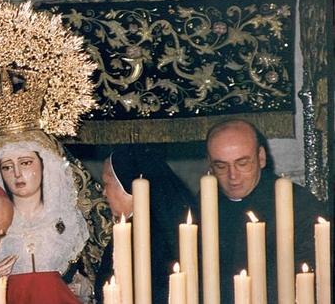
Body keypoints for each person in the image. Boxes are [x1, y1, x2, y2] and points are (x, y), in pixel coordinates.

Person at [0, 130, 110, 302]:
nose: (17, 173)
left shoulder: (73, 219)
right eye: (7, 167)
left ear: (44, 164)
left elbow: (98, 274)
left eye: (25, 163)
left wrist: (85, 288)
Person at [206, 119, 328, 303]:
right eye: (221, 166)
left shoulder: (298, 204)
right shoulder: (205, 201)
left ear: (261, 157)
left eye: (243, 163)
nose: (233, 176)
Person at [95, 145, 197, 304]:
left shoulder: (141, 235)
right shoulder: (162, 225)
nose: (104, 192)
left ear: (127, 186)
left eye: (106, 183)